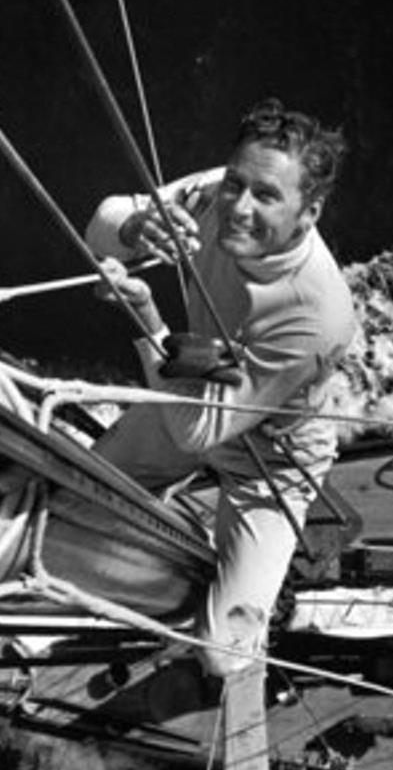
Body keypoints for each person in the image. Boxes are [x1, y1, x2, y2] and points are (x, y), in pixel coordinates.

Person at [85, 98, 356, 675]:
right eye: (237, 183)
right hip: (189, 386)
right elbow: (101, 226)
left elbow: (197, 432)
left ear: (310, 211)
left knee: (221, 656)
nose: (238, 207)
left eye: (266, 196)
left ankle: (258, 598)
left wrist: (145, 317)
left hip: (269, 464)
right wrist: (134, 227)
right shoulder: (215, 193)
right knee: (79, 493)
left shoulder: (316, 312)